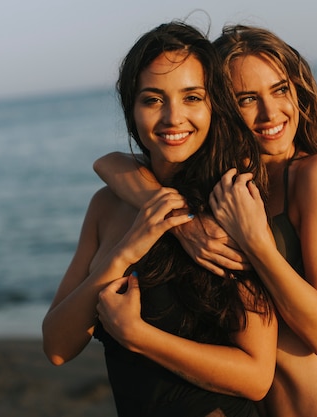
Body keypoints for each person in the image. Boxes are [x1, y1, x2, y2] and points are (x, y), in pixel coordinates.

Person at [94, 25, 317, 417]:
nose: (271, 113)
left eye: (280, 90)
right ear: (219, 105)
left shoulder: (314, 174)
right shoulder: (217, 182)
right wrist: (181, 221)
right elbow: (110, 163)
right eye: (247, 98)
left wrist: (257, 244)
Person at [42, 22, 277, 417]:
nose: (173, 117)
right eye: (153, 99)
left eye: (192, 97)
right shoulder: (106, 206)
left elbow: (255, 376)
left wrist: (139, 337)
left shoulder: (230, 204)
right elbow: (57, 347)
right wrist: (123, 252)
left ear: (212, 106)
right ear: (131, 111)